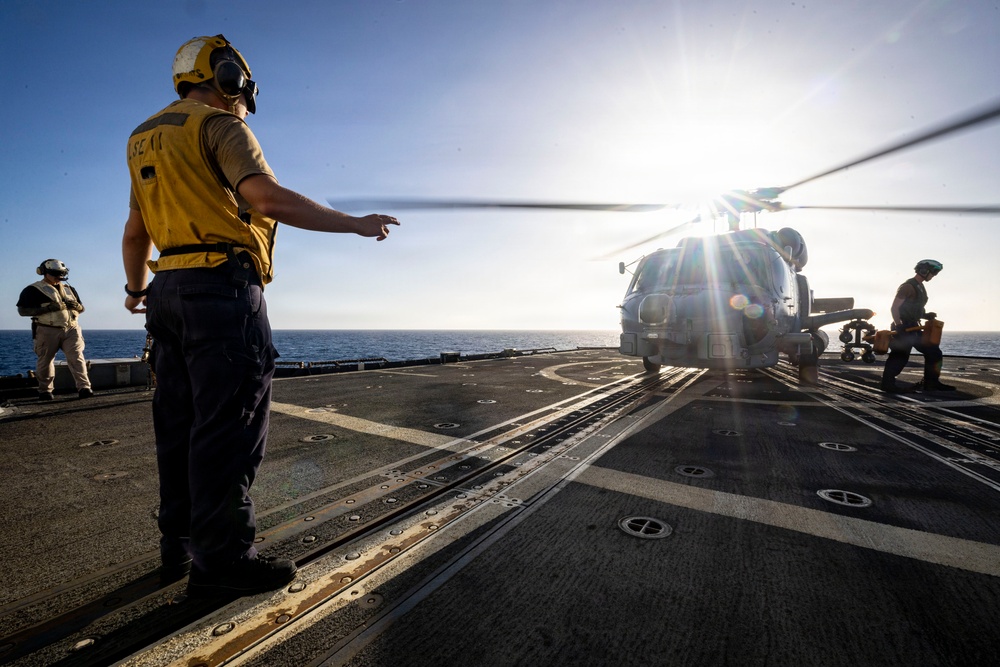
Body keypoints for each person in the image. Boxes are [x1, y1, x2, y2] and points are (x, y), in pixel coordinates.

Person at [121, 34, 399, 595]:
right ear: (225, 76)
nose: (245, 93)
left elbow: (135, 232)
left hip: (166, 291)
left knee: (176, 427)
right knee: (228, 431)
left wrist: (136, 289)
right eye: (241, 83)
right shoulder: (220, 126)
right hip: (221, 293)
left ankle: (175, 546)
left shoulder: (143, 138)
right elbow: (266, 199)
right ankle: (221, 562)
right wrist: (356, 223)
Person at [16, 259, 94, 400]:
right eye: (55, 274)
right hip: (47, 329)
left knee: (77, 358)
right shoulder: (33, 290)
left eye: (61, 274)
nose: (59, 277)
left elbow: (82, 309)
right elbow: (22, 311)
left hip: (71, 328)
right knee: (46, 360)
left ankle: (84, 387)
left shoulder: (70, 289)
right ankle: (45, 390)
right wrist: (47, 309)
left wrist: (75, 306)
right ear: (44, 273)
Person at [880, 259, 955, 393]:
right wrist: (899, 326)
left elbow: (913, 308)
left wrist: (926, 315)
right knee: (900, 355)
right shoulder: (908, 286)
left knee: (934, 352)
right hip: (904, 327)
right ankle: (888, 384)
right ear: (924, 271)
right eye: (933, 273)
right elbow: (895, 308)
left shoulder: (920, 286)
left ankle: (931, 383)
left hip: (914, 327)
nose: (933, 276)